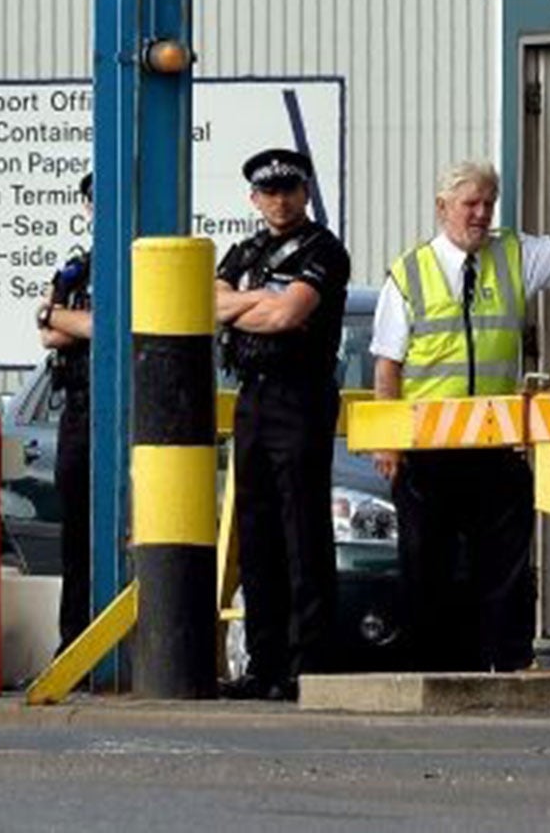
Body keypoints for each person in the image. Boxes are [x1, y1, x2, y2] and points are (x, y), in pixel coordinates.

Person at [370, 159, 550, 672]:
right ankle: (431, 669)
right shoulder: (409, 274)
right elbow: (388, 365)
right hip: (429, 451)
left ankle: (505, 664)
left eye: (487, 205)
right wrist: (389, 442)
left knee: (505, 564)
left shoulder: (513, 255)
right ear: (442, 208)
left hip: (493, 446)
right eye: (470, 204)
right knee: (428, 565)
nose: (480, 215)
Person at [215, 147, 352, 701]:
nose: (279, 200)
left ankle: (309, 664)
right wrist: (260, 298)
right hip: (252, 395)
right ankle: (263, 664)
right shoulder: (245, 250)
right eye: (269, 192)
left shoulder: (323, 249)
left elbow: (288, 314)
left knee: (302, 530)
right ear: (254, 199)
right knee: (257, 531)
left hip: (301, 395)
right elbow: (208, 303)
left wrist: (248, 304)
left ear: (304, 192)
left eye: (289, 189)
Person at [35, 172, 95, 650]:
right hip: (77, 408)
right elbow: (48, 333)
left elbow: (110, 324)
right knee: (76, 536)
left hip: (125, 412)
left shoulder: (137, 261)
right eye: (94, 203)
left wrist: (55, 316)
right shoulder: (77, 268)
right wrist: (62, 320)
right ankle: (74, 643)